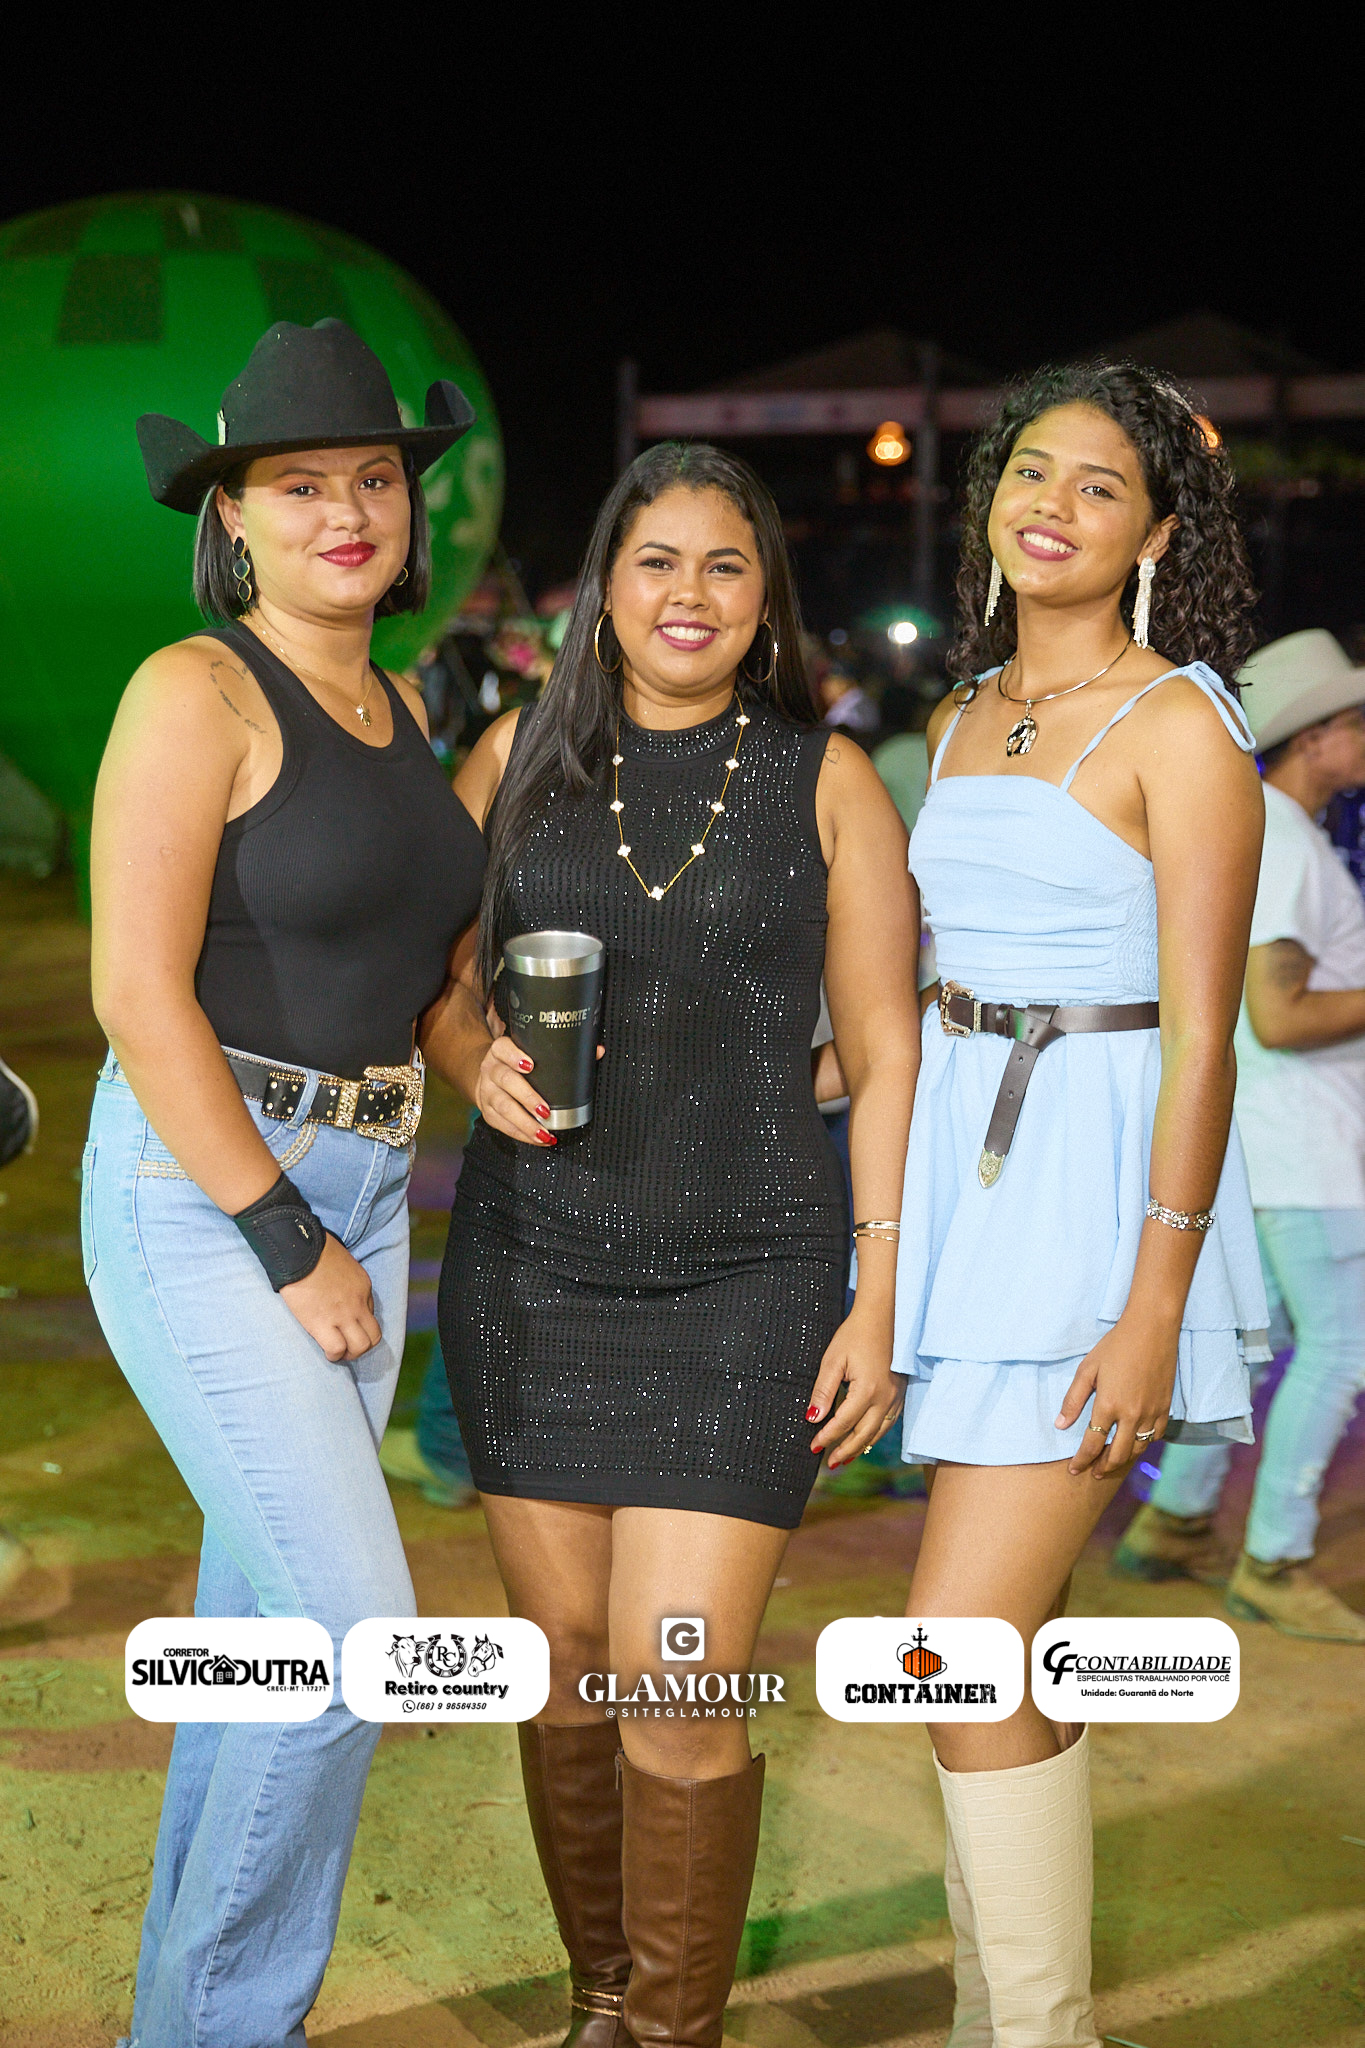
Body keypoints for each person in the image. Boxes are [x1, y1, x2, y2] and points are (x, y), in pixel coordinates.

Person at [420, 442, 919, 2048]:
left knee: (676, 1680)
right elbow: (435, 981)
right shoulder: (514, 758)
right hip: (531, 1268)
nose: (688, 593)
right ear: (602, 590)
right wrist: (469, 1057)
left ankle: (673, 2031)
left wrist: (879, 1289)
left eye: (724, 564)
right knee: (569, 1662)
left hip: (748, 1273)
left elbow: (883, 1051)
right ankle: (604, 2000)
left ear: (766, 596)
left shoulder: (826, 780)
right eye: (656, 561)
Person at [84, 318, 486, 2047]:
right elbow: (135, 990)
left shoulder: (405, 705)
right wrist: (280, 1229)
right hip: (216, 1190)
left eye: (374, 479)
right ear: (231, 516)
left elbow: (416, 976)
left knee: (263, 1643)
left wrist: (489, 1062)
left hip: (368, 1184)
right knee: (350, 1637)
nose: (347, 512)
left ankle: (185, 2020)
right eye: (301, 484)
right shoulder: (195, 689)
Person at [893, 363, 1268, 2045]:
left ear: (1158, 533)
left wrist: (1154, 1304)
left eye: (1100, 485)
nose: (1051, 504)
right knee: (1009, 1642)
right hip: (965, 1184)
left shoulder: (1181, 723)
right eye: (1029, 471)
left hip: (1096, 1203)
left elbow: (1202, 1041)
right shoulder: (961, 714)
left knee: (951, 1639)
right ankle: (1016, 2021)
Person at [1117, 629, 1365, 1644]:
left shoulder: (1267, 827)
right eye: (1354, 722)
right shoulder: (1289, 841)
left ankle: (1174, 1521)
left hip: (1261, 1138)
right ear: (1314, 737)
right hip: (1302, 1142)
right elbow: (1279, 1013)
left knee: (1250, 1344)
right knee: (1341, 1345)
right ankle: (1273, 1559)